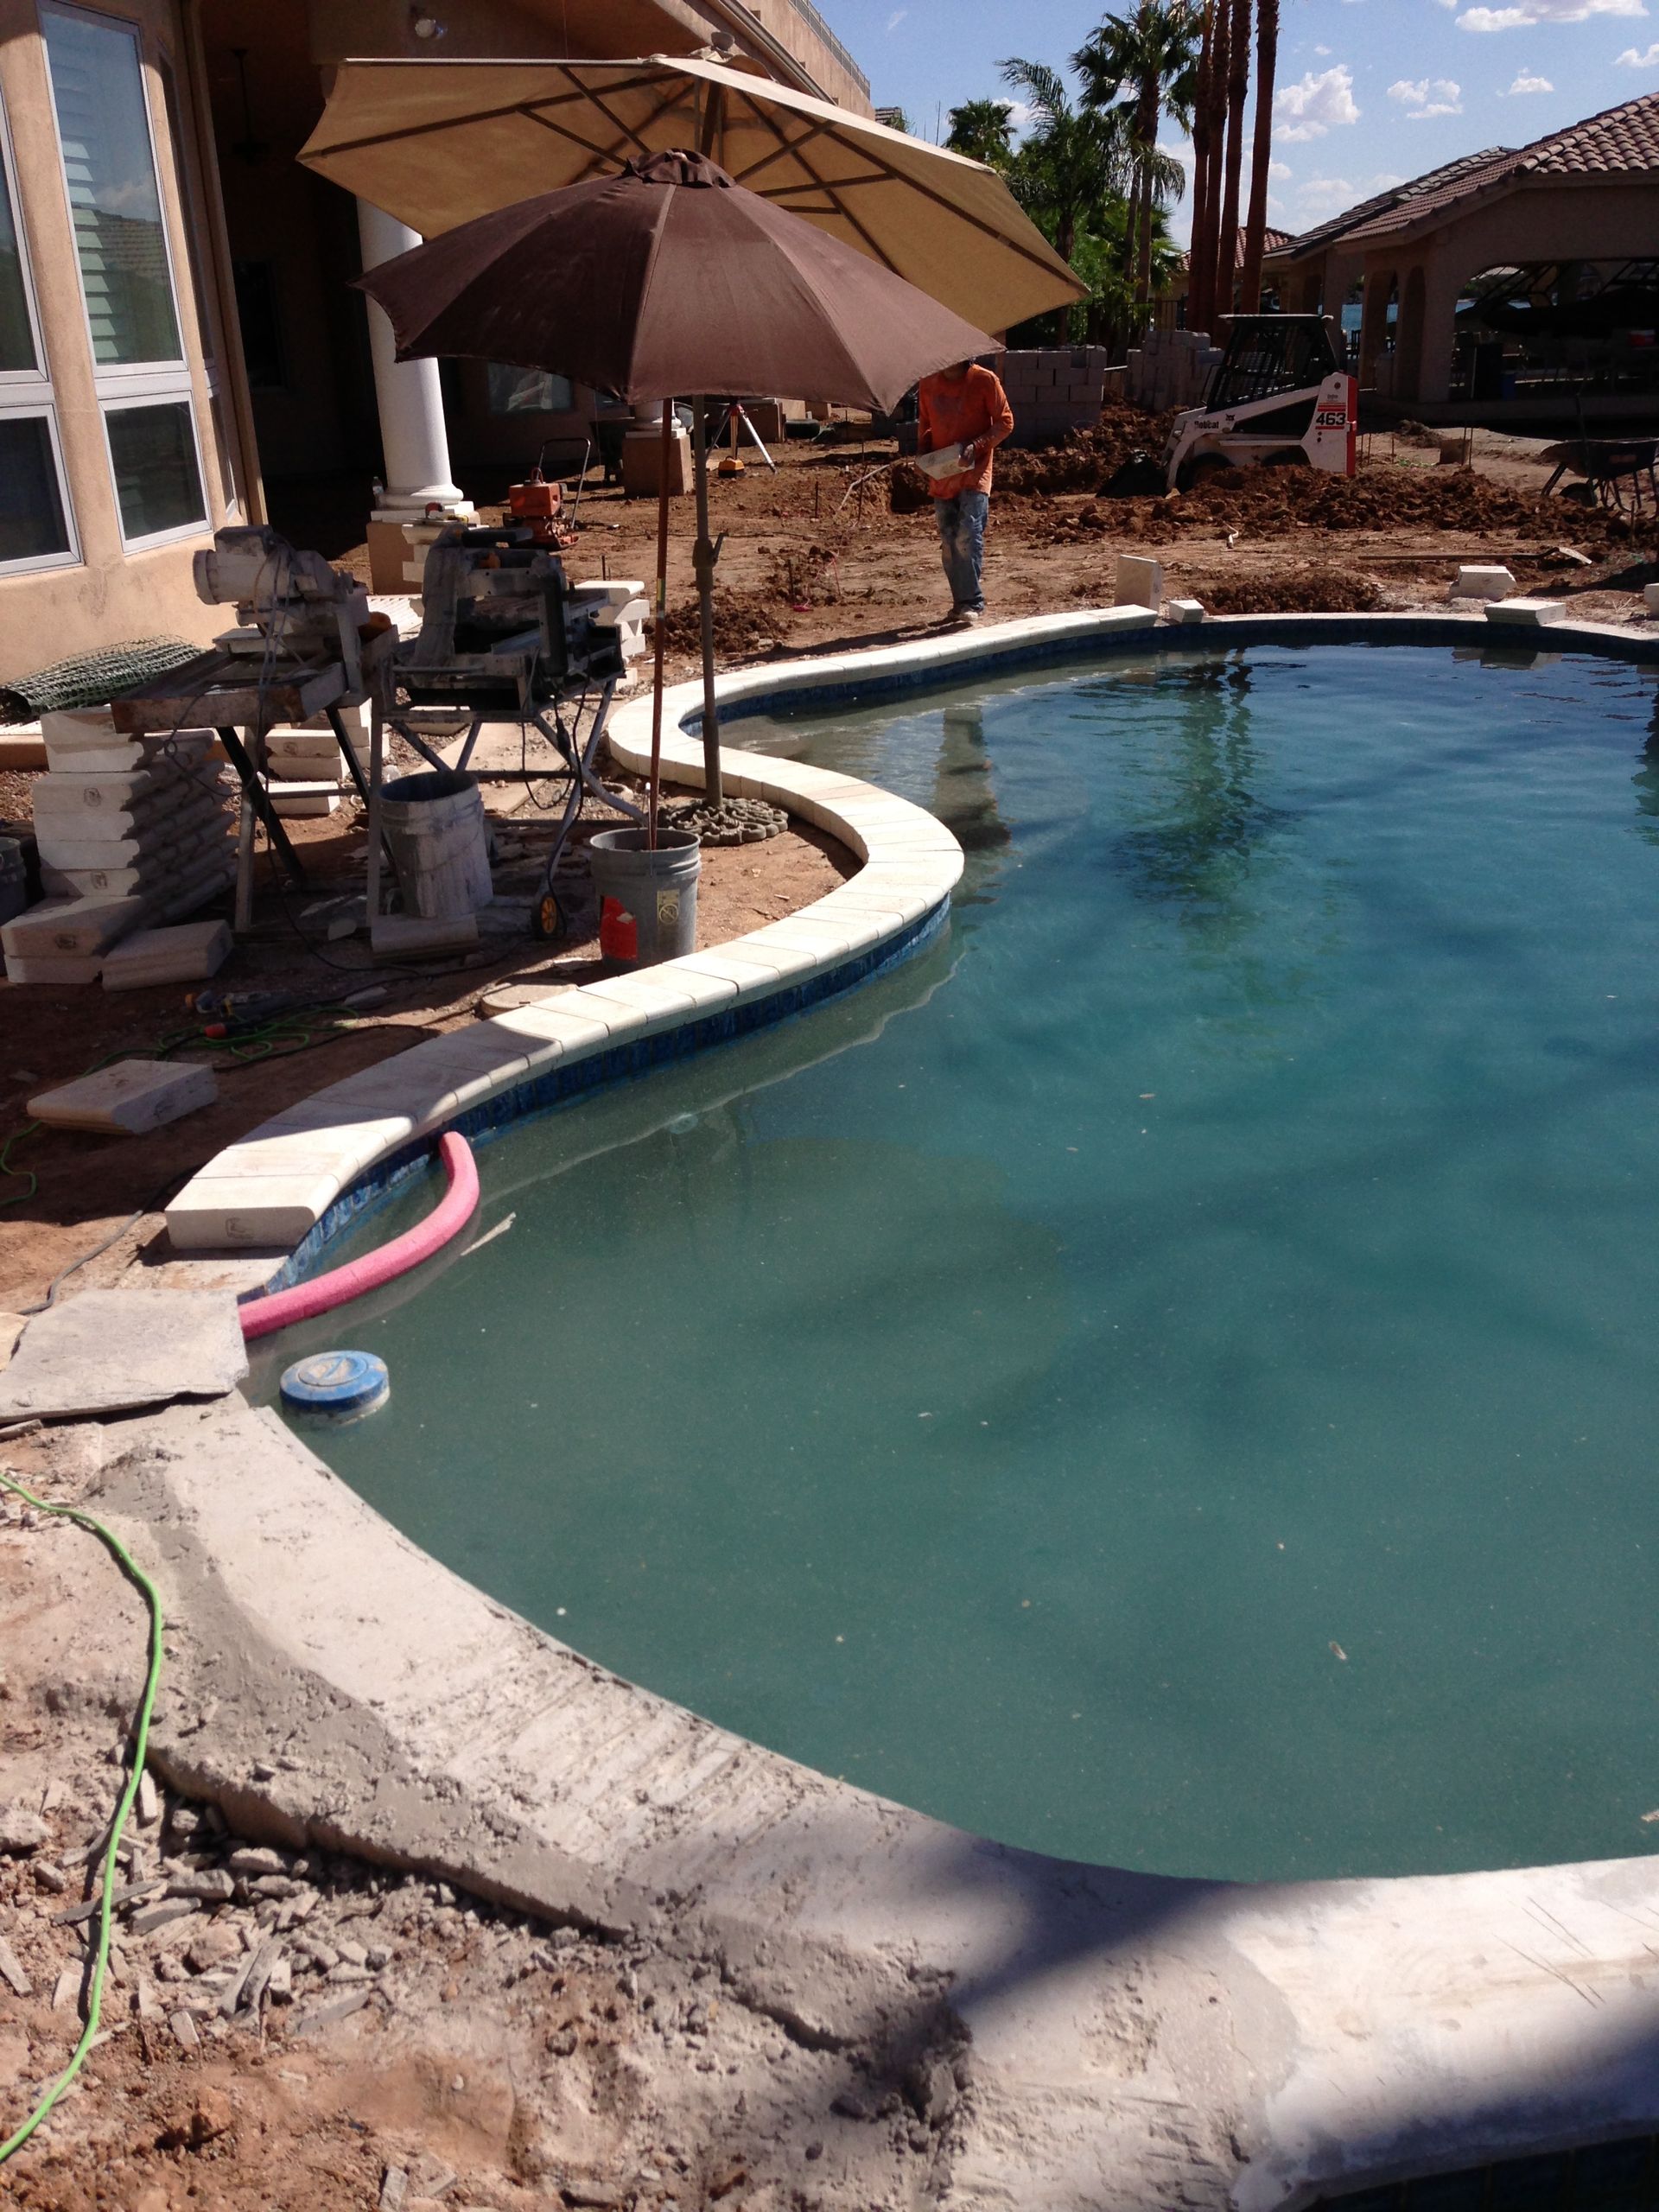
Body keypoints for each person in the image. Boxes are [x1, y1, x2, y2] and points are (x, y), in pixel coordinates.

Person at [916, 359, 1015, 627]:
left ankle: (972, 602)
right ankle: (960, 602)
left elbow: (1005, 422)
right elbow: (925, 426)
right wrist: (922, 454)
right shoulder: (928, 383)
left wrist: (978, 445)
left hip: (975, 472)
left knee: (967, 535)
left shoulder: (984, 380)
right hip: (943, 474)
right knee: (949, 542)